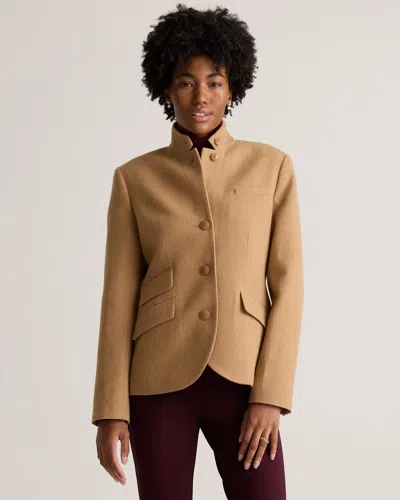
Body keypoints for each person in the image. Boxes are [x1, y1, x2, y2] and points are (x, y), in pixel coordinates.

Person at [92, 4, 304, 499]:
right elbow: (118, 297)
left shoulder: (272, 167)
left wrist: (271, 395)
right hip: (158, 382)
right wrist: (110, 408)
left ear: (232, 88)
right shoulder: (135, 179)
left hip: (244, 378)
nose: (201, 96)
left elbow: (289, 286)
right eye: (186, 82)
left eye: (214, 82)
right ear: (167, 89)